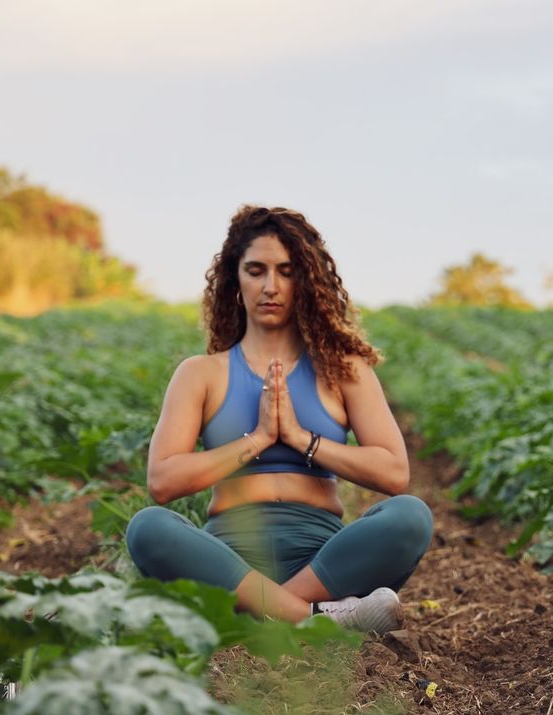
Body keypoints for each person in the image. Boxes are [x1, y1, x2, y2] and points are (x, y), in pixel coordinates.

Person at [125, 205, 433, 633]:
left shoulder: (345, 370)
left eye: (286, 271)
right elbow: (162, 481)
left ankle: (258, 612)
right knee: (148, 527)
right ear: (235, 280)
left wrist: (300, 438)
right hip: (229, 561)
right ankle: (314, 619)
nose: (271, 286)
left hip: (322, 561)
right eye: (256, 270)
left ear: (305, 280)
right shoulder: (200, 374)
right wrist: (258, 439)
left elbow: (395, 472)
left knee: (410, 516)